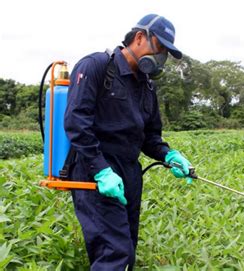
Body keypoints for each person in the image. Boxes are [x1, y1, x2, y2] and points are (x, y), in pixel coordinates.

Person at [64, 14, 192, 270]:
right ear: (139, 37)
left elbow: (150, 136)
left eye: (166, 52)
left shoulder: (146, 86)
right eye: (160, 47)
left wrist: (168, 154)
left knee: (125, 249)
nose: (161, 57)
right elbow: (77, 123)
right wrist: (100, 170)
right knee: (116, 253)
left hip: (129, 174)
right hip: (95, 173)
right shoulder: (96, 66)